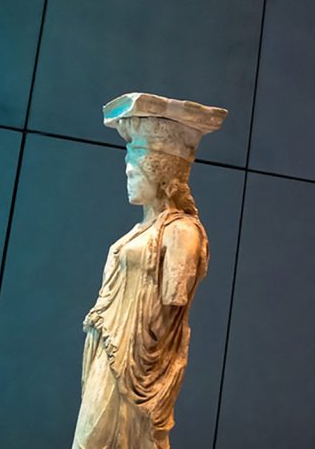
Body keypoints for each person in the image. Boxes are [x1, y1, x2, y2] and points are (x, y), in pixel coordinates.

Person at [73, 93, 225, 449]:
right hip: (111, 352)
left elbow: (172, 302)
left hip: (136, 363)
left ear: (159, 173)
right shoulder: (141, 230)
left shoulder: (181, 232)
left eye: (134, 169)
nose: (127, 175)